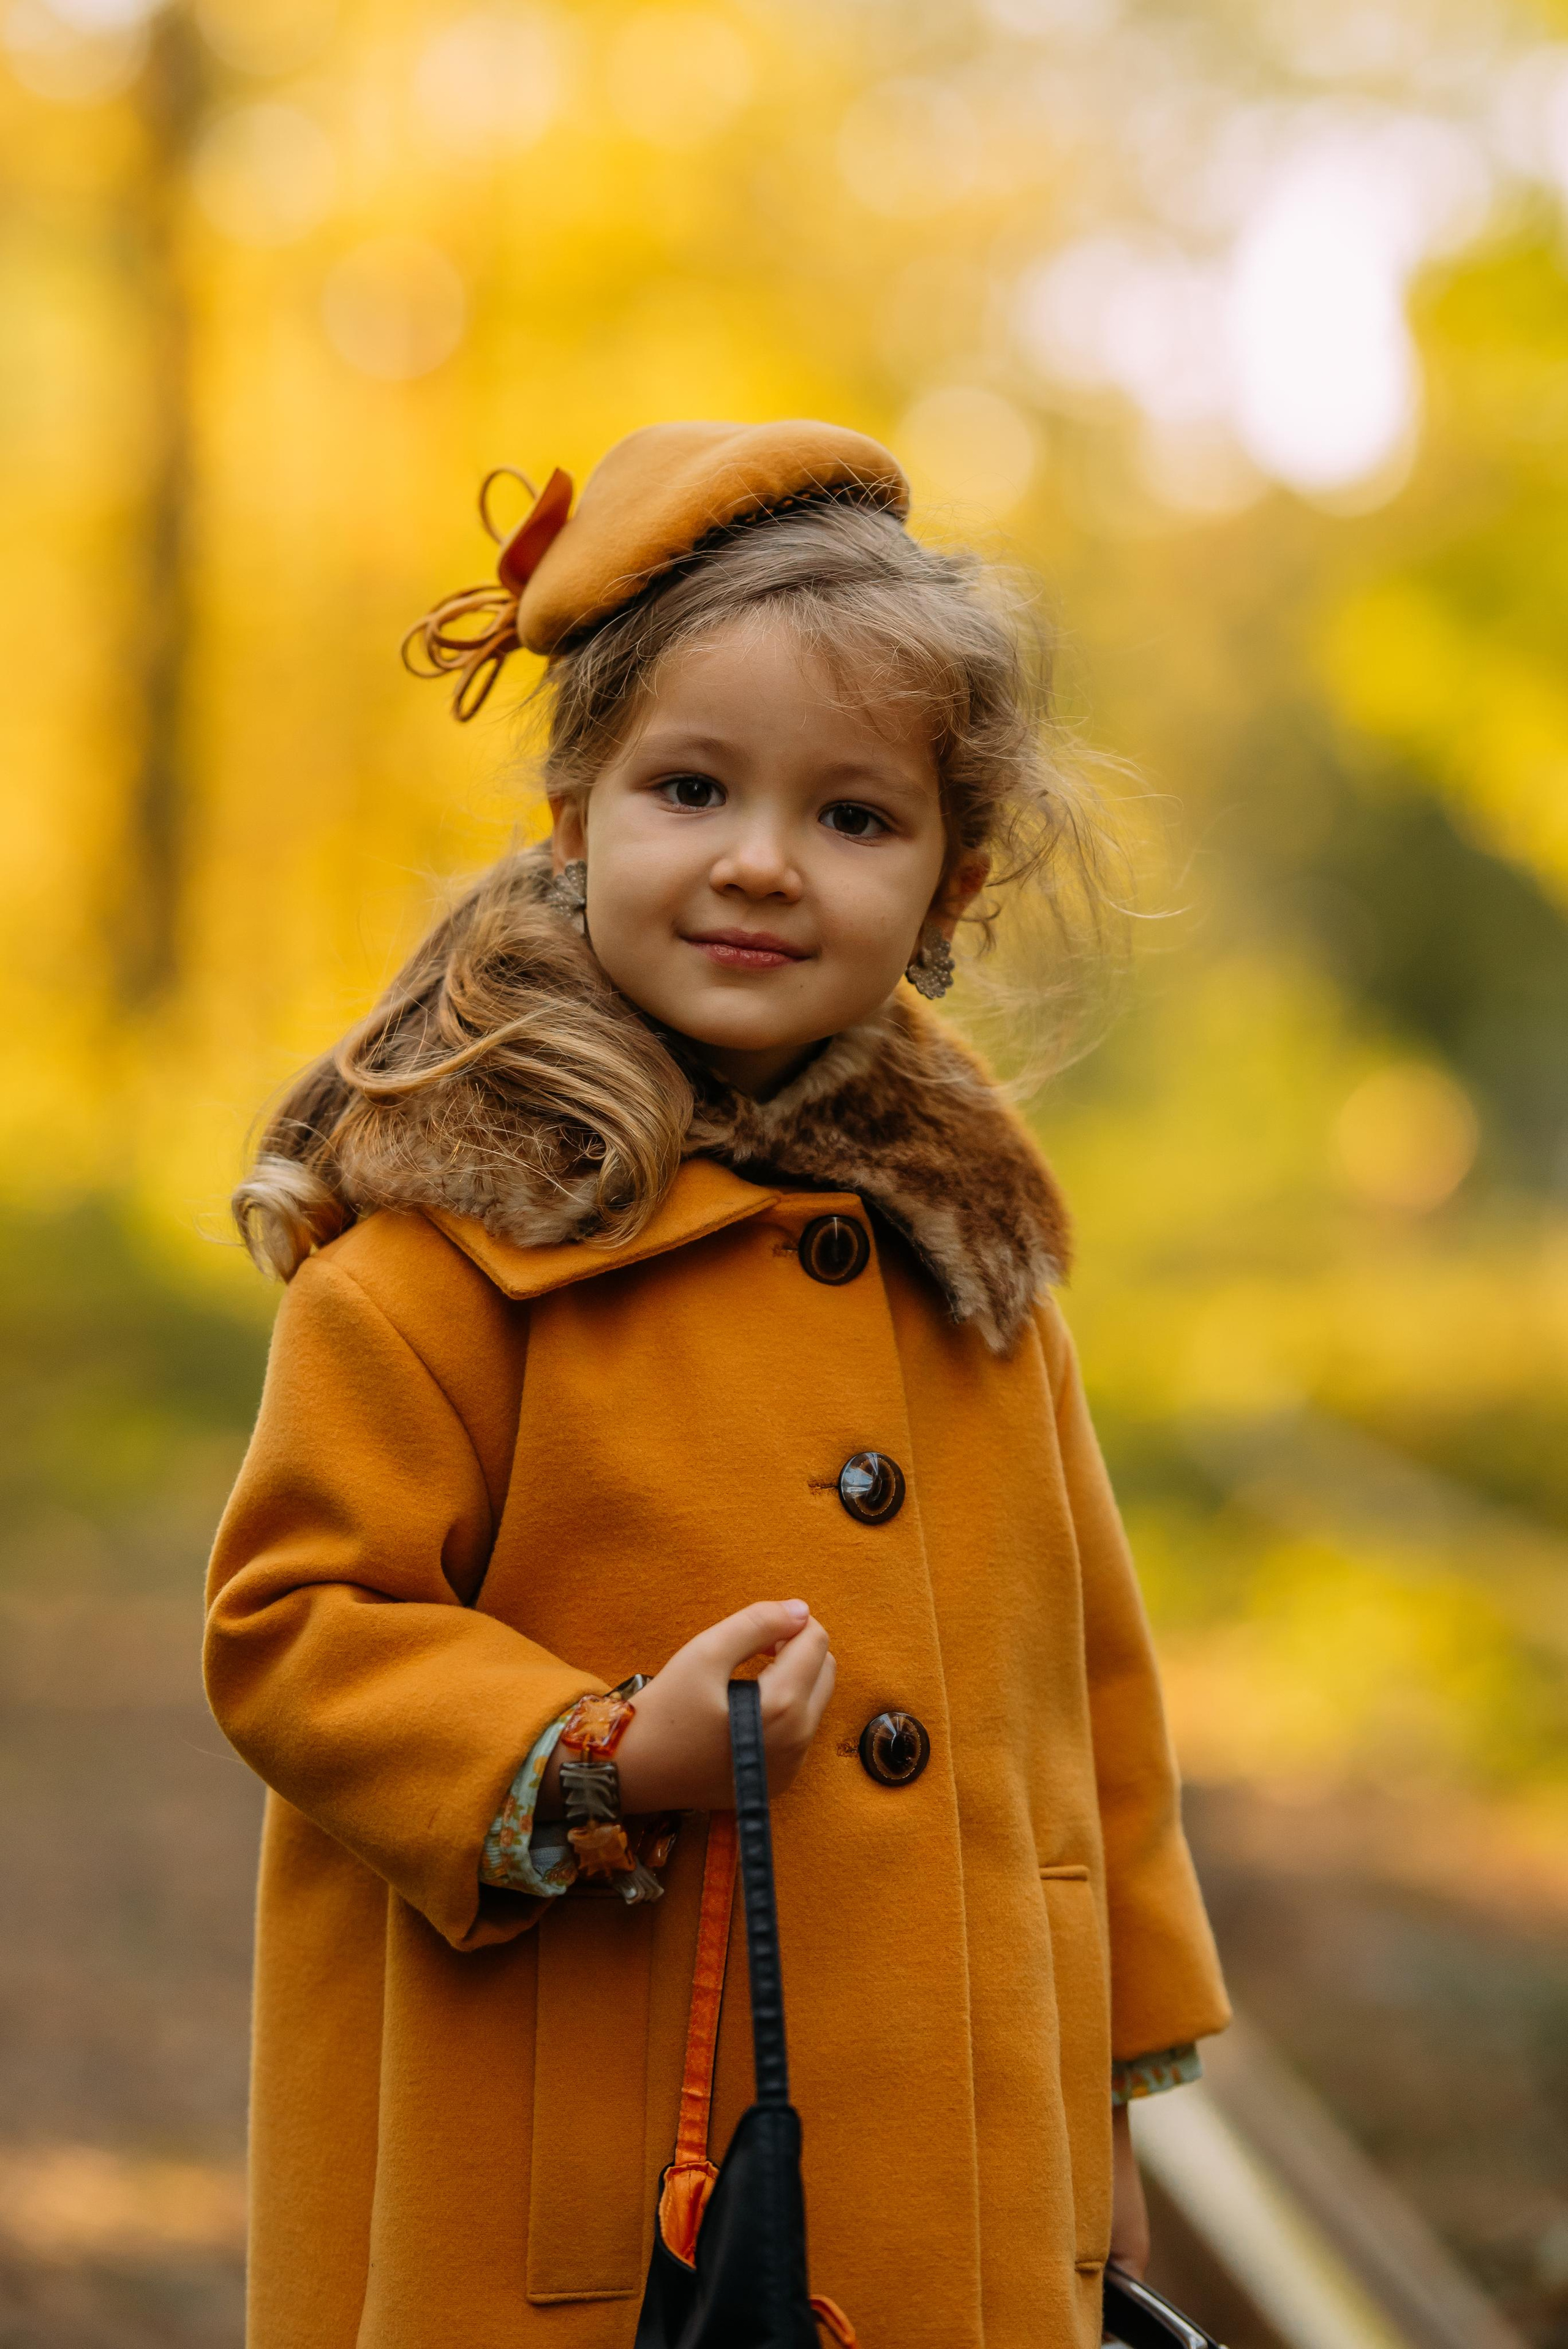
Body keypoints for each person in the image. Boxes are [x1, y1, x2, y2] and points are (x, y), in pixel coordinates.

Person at [205, 418, 1229, 2349]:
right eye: (694, 786)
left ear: (952, 882)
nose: (762, 861)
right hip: (595, 2188)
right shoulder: (445, 1253)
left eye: (855, 817)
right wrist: (592, 1751)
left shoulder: (970, 1257)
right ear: (579, 811)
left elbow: (1093, 1706)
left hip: (966, 2168)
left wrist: (1114, 2093)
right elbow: (294, 1625)